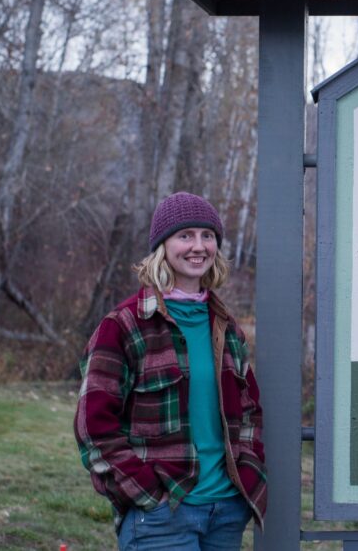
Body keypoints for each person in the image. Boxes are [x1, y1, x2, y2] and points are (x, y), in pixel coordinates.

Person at [74, 192, 266, 550]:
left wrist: (247, 474)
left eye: (207, 235)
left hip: (225, 513)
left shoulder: (225, 327)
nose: (198, 247)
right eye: (186, 235)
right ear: (163, 245)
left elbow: (250, 411)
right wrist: (147, 493)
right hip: (164, 515)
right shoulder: (124, 325)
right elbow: (93, 427)